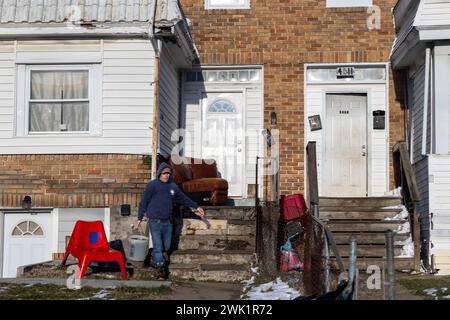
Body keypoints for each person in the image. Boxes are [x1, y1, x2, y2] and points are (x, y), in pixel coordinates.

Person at [135, 162, 205, 279]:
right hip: (155, 221)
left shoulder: (172, 187)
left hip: (167, 222)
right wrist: (139, 218)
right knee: (158, 246)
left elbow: (184, 198)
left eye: (168, 173)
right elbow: (144, 202)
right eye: (164, 173)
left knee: (166, 247)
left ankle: (154, 258)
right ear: (159, 174)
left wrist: (196, 207)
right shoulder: (152, 186)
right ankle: (161, 269)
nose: (166, 175)